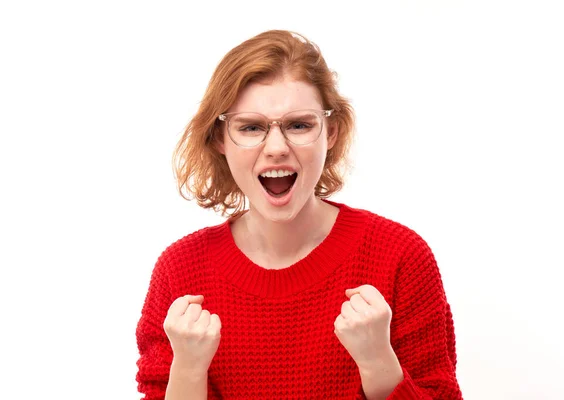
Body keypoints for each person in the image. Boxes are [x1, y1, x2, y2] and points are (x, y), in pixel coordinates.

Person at [135, 29, 463, 400]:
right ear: (219, 139)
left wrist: (376, 361)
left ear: (331, 132)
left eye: (299, 125)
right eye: (251, 127)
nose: (276, 147)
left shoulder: (400, 256)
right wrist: (188, 370)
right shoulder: (180, 270)